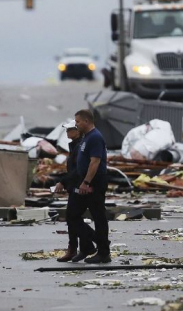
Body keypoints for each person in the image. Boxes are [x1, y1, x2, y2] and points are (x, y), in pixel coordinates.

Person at [67, 109, 111, 264]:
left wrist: (86, 182)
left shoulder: (95, 138)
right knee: (72, 215)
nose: (76, 124)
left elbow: (95, 161)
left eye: (78, 121)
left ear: (86, 121)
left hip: (94, 183)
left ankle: (104, 253)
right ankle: (89, 246)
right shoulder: (86, 137)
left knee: (98, 216)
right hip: (84, 181)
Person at [54, 120, 96, 262]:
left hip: (79, 187)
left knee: (72, 217)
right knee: (72, 218)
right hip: (74, 186)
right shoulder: (75, 146)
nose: (67, 132)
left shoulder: (79, 146)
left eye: (70, 130)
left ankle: (93, 242)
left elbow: (78, 170)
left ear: (78, 131)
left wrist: (63, 181)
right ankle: (83, 248)